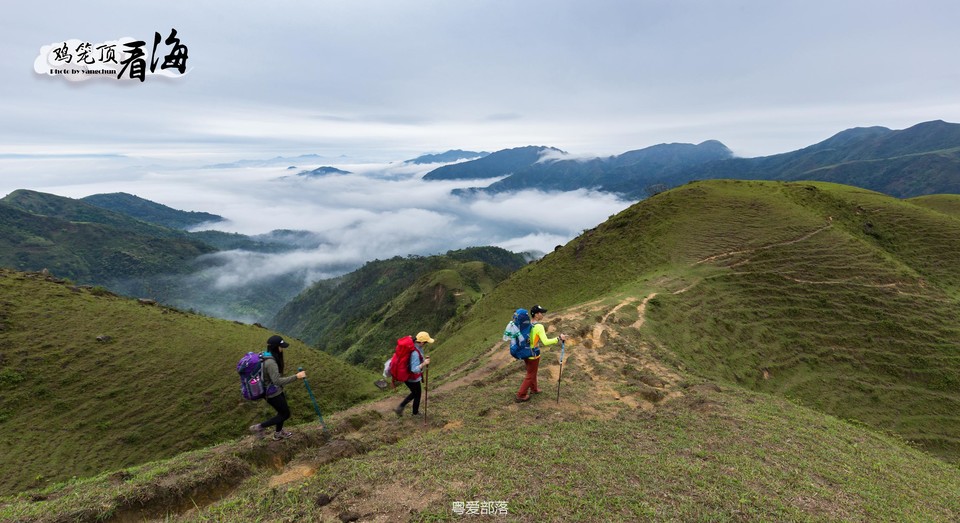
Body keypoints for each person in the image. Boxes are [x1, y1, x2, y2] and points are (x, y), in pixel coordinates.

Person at [249, 335, 307, 440]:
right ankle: (259, 427)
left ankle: (278, 433)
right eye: (281, 346)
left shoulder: (267, 355)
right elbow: (277, 381)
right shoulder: (271, 362)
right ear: (275, 347)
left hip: (274, 390)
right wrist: (296, 377)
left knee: (282, 412)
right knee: (285, 414)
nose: (282, 348)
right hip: (272, 393)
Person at [517, 305, 566, 402]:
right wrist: (559, 338)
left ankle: (534, 389)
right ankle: (520, 395)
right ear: (536, 315)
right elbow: (546, 342)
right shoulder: (539, 326)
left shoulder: (528, 324)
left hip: (526, 352)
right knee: (531, 374)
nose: (542, 314)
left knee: (532, 372)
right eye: (540, 313)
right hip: (534, 354)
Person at [393, 331, 434, 417]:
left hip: (408, 376)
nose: (426, 344)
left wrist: (423, 361)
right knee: (417, 394)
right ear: (422, 342)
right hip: (411, 377)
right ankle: (414, 413)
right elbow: (414, 369)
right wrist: (424, 364)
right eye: (426, 342)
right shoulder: (415, 352)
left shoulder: (415, 346)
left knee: (415, 393)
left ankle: (400, 408)